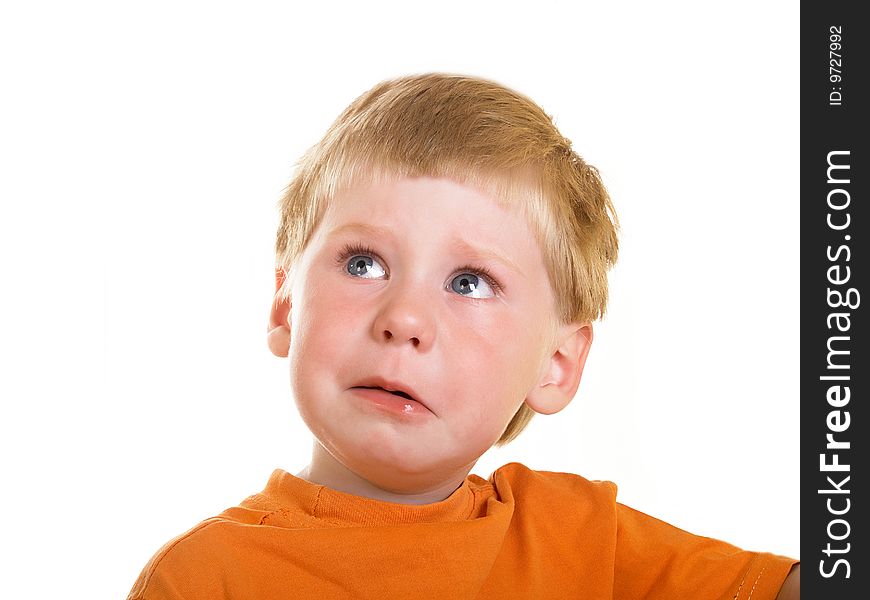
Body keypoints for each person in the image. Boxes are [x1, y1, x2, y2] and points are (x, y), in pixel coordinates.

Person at [127, 73, 800, 599]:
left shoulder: (579, 539)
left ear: (558, 365)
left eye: (470, 282)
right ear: (284, 306)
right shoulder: (203, 580)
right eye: (363, 263)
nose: (405, 319)